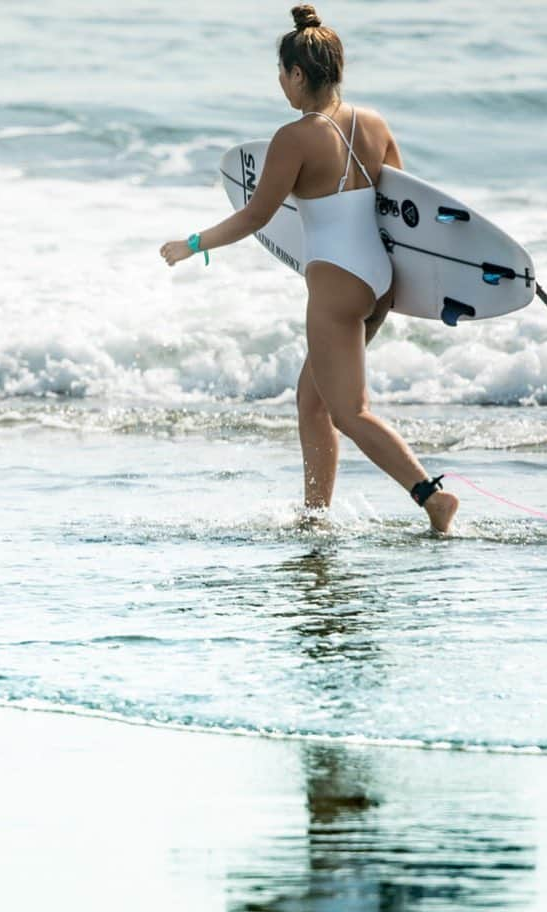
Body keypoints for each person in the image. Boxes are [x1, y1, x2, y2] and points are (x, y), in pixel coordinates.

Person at [160, 4, 459, 534]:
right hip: (378, 280)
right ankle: (315, 514)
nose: (281, 85)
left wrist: (193, 243)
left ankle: (431, 496)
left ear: (298, 74)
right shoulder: (373, 123)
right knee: (312, 398)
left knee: (350, 411)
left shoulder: (294, 139)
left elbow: (256, 215)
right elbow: (401, 210)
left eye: (282, 75)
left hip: (336, 288)